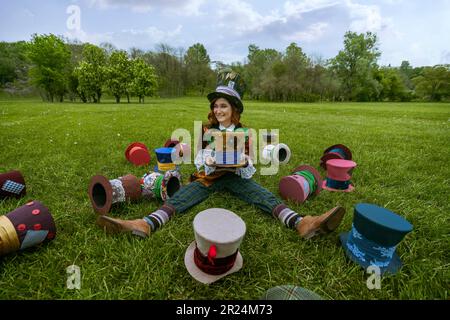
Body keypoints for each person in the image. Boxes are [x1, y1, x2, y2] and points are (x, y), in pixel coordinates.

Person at [97, 69, 346, 239]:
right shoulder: (206, 130)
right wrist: (207, 160)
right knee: (186, 194)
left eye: (223, 105)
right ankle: (146, 223)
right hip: (208, 177)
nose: (218, 110)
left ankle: (301, 222)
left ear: (234, 109)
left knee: (260, 193)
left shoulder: (245, 132)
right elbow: (198, 158)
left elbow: (249, 163)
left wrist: (243, 163)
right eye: (215, 105)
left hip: (235, 177)